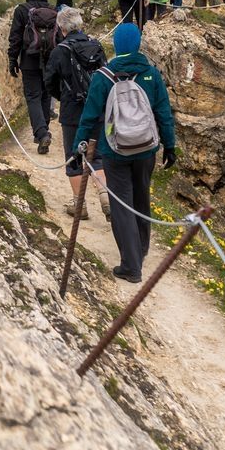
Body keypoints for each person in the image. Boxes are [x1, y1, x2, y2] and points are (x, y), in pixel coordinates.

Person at [71, 23, 176, 283]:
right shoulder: (151, 74)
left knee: (121, 205)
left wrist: (78, 146)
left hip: (115, 150)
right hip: (146, 149)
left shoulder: (103, 76)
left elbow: (90, 116)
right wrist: (170, 146)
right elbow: (163, 112)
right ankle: (140, 250)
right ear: (138, 44)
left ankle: (131, 266)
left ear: (116, 45)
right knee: (142, 199)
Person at [43, 8, 109, 219]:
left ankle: (79, 205)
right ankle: (105, 195)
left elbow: (49, 83)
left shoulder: (59, 51)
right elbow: (106, 74)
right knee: (96, 155)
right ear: (80, 25)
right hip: (96, 108)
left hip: (72, 110)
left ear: (61, 28)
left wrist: (64, 97)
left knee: (74, 157)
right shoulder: (96, 45)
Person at [8, 0, 56, 154]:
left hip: (29, 60)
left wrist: (12, 60)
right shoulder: (52, 10)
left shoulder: (21, 10)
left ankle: (42, 133)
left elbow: (15, 38)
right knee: (45, 95)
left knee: (33, 96)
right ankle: (42, 131)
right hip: (50, 60)